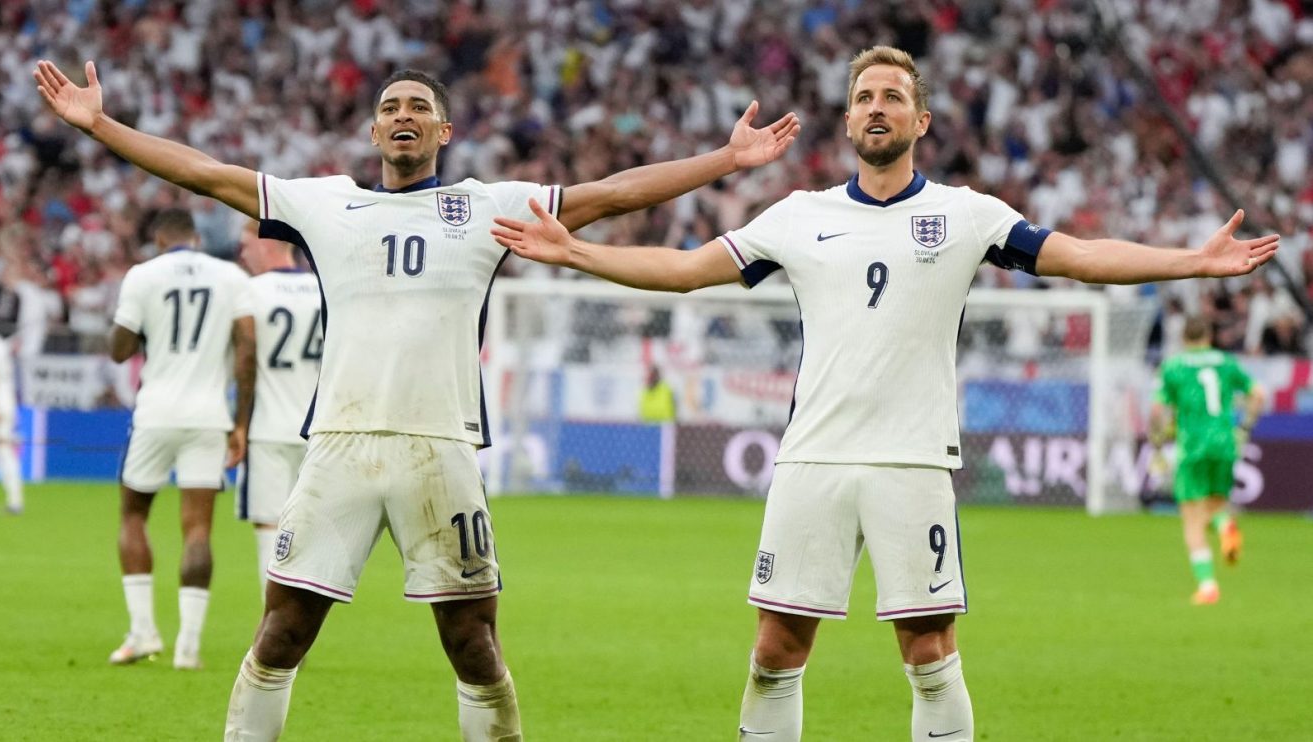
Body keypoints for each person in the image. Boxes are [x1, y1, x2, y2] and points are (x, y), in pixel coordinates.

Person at [489, 46, 1279, 742]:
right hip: (814, 459)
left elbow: (1077, 255)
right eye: (864, 96)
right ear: (846, 120)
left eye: (893, 96)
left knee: (930, 652)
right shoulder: (800, 216)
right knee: (775, 650)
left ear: (921, 120)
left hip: (913, 461)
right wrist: (577, 253)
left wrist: (1190, 261)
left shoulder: (966, 214)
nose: (877, 106)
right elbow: (688, 270)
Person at [36, 59, 797, 741]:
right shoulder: (324, 204)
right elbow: (206, 174)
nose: (403, 115)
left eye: (418, 108)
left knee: (472, 641)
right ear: (373, 130)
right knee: (282, 632)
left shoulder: (492, 206)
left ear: (444, 130)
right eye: (390, 107)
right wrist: (101, 125)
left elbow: (610, 194)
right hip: (340, 447)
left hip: (441, 450)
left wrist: (726, 159)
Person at [107, 207, 256, 670]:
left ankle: (143, 632)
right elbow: (247, 352)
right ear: (195, 239)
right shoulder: (231, 276)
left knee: (134, 515)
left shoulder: (143, 275)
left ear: (159, 240)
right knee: (198, 529)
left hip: (155, 413)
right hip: (209, 415)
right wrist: (241, 422)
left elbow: (119, 351)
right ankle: (188, 648)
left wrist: (143, 327)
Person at [1150, 315, 1263, 605]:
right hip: (1225, 443)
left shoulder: (1174, 366)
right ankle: (1226, 526)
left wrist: (1158, 442)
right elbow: (1258, 394)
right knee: (1214, 506)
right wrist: (1245, 428)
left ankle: (1208, 586)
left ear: (1184, 339)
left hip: (1193, 447)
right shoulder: (1226, 362)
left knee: (1192, 518)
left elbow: (1157, 411)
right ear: (1209, 337)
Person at [235, 220, 322, 597]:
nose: (242, 255)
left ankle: (273, 624)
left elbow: (242, 360)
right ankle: (303, 626)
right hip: (319, 433)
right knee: (312, 535)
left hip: (267, 429)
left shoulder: (249, 292)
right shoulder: (324, 288)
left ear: (265, 244)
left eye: (246, 245)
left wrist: (236, 424)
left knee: (269, 529)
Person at [0, 330, 23, 515]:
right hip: (5, 400)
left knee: (4, 450)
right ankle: (15, 500)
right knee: (5, 451)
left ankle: (15, 502)